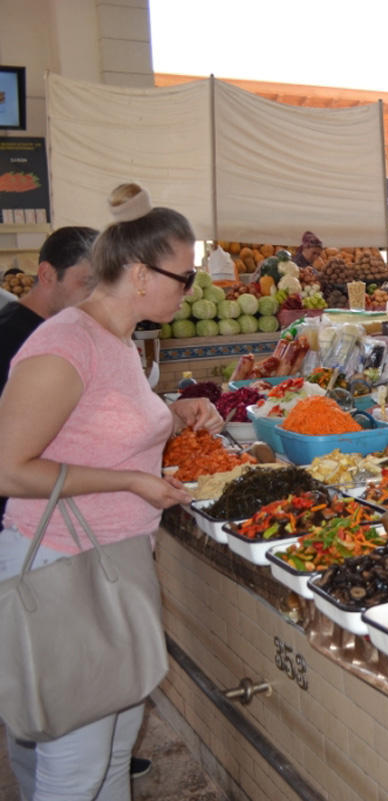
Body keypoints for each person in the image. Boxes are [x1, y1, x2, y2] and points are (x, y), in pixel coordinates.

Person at [0, 183, 222, 801]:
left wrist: (173, 414)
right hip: (64, 568)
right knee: (74, 767)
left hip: (113, 560)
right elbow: (8, 469)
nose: (190, 289)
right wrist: (130, 480)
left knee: (114, 750)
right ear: (137, 272)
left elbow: (96, 427)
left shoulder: (116, 340)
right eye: (183, 276)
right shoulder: (64, 343)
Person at [0, 226, 99, 522]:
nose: (96, 298)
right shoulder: (14, 338)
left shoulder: (66, 332)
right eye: (87, 284)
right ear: (46, 275)